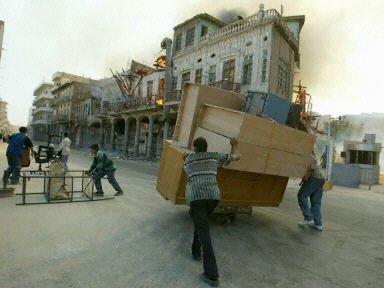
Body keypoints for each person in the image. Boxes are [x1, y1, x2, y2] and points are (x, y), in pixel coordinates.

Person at [183, 137, 240, 287]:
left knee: (204, 231)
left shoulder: (188, 159)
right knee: (200, 224)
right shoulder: (214, 156)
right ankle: (195, 252)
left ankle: (212, 275)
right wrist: (234, 145)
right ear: (206, 147)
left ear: (194, 148)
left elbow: (184, 156)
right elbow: (237, 157)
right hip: (213, 198)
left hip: (197, 198)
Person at [297, 152, 325, 231]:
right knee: (316, 201)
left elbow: (311, 169)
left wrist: (306, 177)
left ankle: (308, 218)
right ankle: (318, 224)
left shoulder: (308, 155)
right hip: (321, 179)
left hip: (313, 178)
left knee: (302, 196)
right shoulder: (311, 155)